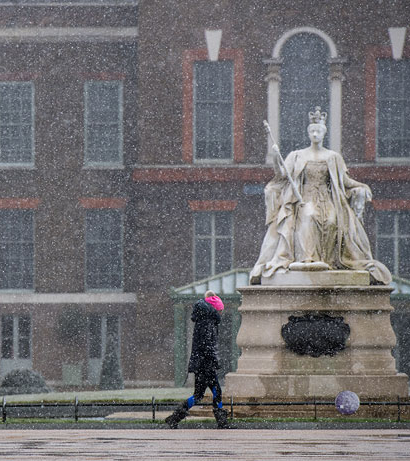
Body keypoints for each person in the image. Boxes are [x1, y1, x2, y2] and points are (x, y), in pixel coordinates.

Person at [250, 107, 391, 285]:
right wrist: (277, 158)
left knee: (332, 222)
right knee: (308, 221)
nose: (315, 134)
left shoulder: (333, 157)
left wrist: (360, 187)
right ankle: (308, 260)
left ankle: (328, 261)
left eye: (318, 131)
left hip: (327, 198)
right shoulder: (297, 155)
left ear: (324, 134)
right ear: (309, 134)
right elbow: (282, 175)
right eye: (313, 131)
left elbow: (345, 181)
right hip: (304, 199)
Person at [165, 290, 229, 429]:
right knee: (206, 393)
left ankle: (176, 417)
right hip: (205, 365)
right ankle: (176, 417)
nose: (221, 313)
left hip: (203, 364)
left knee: (207, 393)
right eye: (221, 310)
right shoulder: (207, 323)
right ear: (216, 310)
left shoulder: (205, 321)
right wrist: (213, 361)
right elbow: (207, 346)